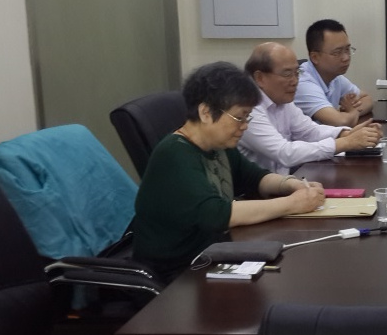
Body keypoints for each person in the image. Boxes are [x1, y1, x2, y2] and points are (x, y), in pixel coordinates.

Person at [132, 61, 326, 281]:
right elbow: (218, 215)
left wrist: (292, 184)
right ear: (206, 112)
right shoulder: (174, 154)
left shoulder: (217, 145)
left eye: (247, 117)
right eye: (239, 117)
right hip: (177, 274)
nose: (244, 126)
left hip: (212, 254)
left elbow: (255, 178)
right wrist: (293, 203)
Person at [238, 42, 382, 175]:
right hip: (257, 191)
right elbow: (284, 153)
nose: (295, 81)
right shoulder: (247, 108)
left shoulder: (282, 101)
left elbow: (309, 131)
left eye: (297, 73)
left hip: (283, 183)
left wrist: (346, 134)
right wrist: (346, 142)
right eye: (287, 74)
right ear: (260, 78)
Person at [294, 19, 373, 127]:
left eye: (347, 50)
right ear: (315, 57)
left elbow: (367, 99)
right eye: (337, 52)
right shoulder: (303, 84)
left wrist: (351, 111)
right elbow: (340, 121)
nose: (346, 58)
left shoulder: (334, 77)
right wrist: (353, 111)